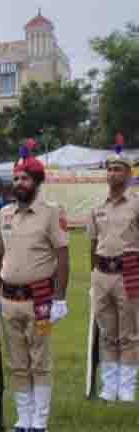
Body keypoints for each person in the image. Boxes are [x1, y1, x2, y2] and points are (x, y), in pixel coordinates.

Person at [0, 143, 70, 432]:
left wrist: (59, 298)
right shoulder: (4, 214)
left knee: (40, 361)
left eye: (24, 178)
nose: (18, 183)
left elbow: (62, 257)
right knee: (17, 362)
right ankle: (23, 419)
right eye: (16, 178)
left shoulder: (50, 214)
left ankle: (40, 423)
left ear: (36, 182)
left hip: (40, 301)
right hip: (9, 300)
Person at [88, 138, 139, 402]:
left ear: (128, 174)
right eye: (109, 169)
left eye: (118, 169)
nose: (112, 173)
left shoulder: (136, 204)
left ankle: (127, 388)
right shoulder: (97, 208)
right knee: (107, 331)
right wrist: (94, 276)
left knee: (128, 332)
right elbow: (93, 244)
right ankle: (110, 386)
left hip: (128, 272)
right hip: (102, 273)